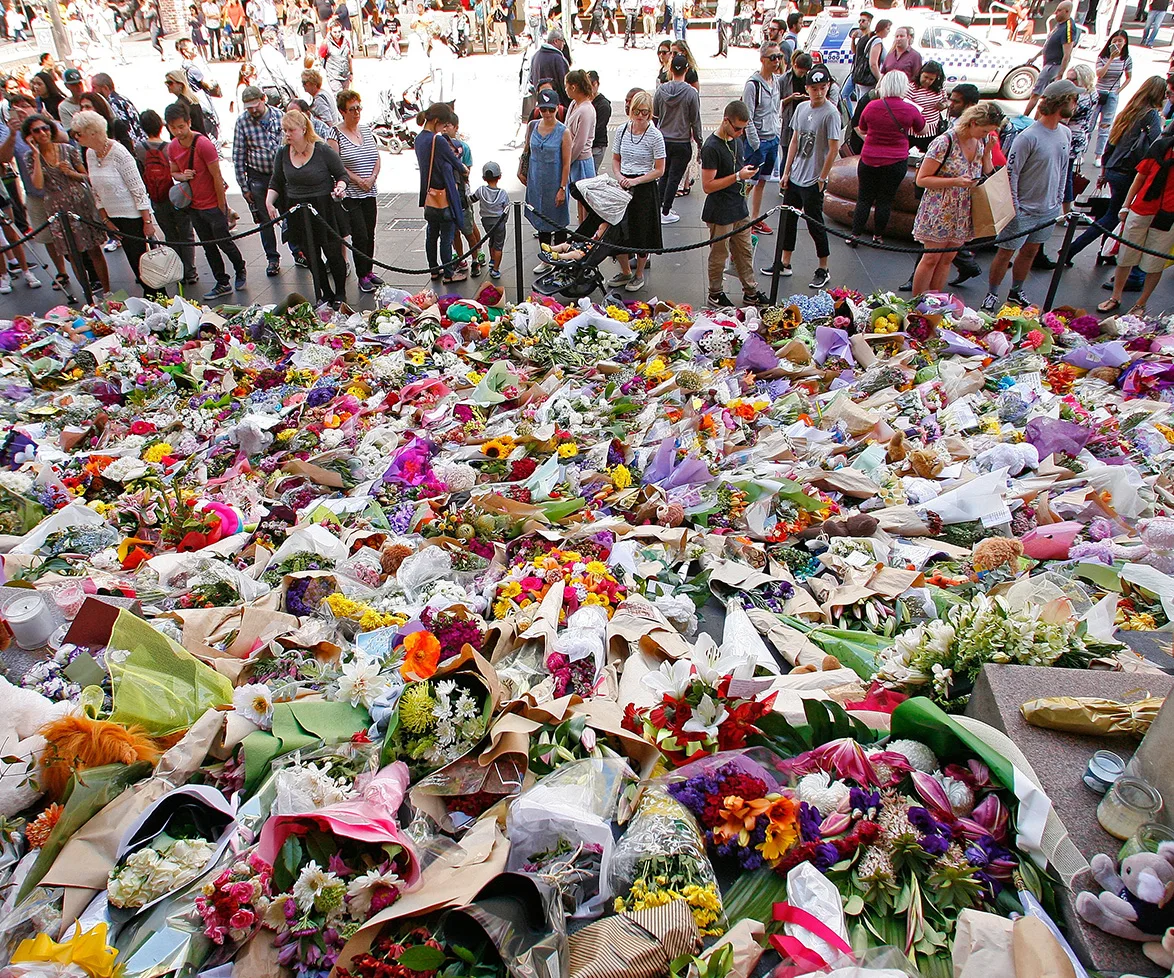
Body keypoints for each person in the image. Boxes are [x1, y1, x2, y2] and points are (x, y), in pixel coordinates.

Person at [980, 80, 1076, 311]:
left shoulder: (1065, 133)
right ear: (1060, 102)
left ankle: (1015, 291)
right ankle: (992, 293)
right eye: (1073, 100)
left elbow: (1064, 169)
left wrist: (1059, 200)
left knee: (1031, 250)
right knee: (1006, 252)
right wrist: (1015, 205)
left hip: (1048, 209)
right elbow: (1011, 173)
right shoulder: (1028, 137)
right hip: (1023, 209)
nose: (1076, 105)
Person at [1067, 76, 1165, 264]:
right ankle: (1072, 249)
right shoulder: (1151, 115)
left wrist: (1104, 170)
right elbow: (1155, 145)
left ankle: (1104, 253)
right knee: (1113, 216)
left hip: (1113, 168)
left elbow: (1111, 143)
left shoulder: (1129, 111)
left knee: (1114, 213)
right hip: (1129, 171)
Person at [911, 102, 1002, 295]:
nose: (985, 135)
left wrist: (987, 154)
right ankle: (916, 305)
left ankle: (935, 301)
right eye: (984, 130)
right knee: (931, 258)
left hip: (964, 208)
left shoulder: (981, 141)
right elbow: (922, 179)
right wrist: (955, 181)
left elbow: (987, 171)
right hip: (940, 207)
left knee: (947, 259)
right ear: (973, 123)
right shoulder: (945, 142)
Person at [765, 63, 840, 289]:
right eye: (814, 88)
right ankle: (785, 262)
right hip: (796, 175)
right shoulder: (802, 109)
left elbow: (833, 147)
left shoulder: (831, 113)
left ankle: (823, 267)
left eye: (822, 87)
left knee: (815, 223)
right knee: (788, 220)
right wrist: (786, 171)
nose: (818, 92)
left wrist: (822, 177)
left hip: (813, 178)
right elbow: (795, 140)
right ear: (807, 88)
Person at [71, 110, 158, 296]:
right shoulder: (90, 154)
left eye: (79, 133)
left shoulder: (120, 153)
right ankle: (150, 297)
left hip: (133, 217)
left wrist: (147, 222)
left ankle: (157, 297)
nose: (75, 137)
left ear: (93, 132)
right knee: (134, 263)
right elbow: (95, 190)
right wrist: (105, 219)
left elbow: (138, 189)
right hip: (113, 217)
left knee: (143, 263)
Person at [165, 101, 245, 301]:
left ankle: (240, 267)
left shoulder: (203, 144)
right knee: (208, 246)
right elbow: (174, 172)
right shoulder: (173, 147)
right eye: (173, 128)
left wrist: (222, 206)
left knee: (224, 243)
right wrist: (183, 175)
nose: (178, 132)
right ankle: (222, 281)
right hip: (193, 205)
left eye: (181, 126)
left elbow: (217, 177)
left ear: (189, 122)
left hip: (211, 205)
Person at [266, 108, 348, 304]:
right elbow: (276, 180)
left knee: (333, 253)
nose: (286, 134)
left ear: (303, 129)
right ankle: (325, 292)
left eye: (290, 130)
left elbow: (341, 175)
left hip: (323, 208)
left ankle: (340, 292)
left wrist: (340, 187)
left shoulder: (322, 150)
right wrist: (269, 201)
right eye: (284, 130)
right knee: (311, 256)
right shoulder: (283, 152)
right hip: (297, 210)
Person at [24, 113, 110, 294]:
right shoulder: (30, 157)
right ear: (30, 135)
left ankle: (107, 290)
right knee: (72, 253)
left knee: (94, 249)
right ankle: (88, 294)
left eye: (45, 128)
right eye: (36, 131)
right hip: (55, 207)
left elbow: (86, 176)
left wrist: (71, 173)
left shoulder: (67, 149)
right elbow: (38, 184)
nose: (42, 133)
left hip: (78, 202)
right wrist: (36, 154)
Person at [1097, 131, 1174, 314]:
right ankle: (1115, 297)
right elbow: (1140, 177)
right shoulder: (1161, 148)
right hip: (1141, 208)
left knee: (1154, 262)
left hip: (1168, 215)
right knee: (1125, 256)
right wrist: (1126, 206)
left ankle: (1141, 303)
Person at [701, 99, 765, 308]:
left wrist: (744, 175)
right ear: (726, 121)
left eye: (743, 129)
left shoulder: (736, 140)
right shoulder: (711, 147)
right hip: (720, 210)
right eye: (737, 128)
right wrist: (738, 176)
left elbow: (736, 169)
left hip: (739, 206)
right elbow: (708, 186)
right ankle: (715, 292)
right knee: (719, 254)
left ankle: (751, 291)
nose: (740, 133)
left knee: (744, 251)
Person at [852, 70, 924, 245]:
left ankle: (855, 235)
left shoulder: (871, 106)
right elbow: (921, 129)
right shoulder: (910, 109)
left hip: (869, 158)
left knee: (864, 198)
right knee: (885, 199)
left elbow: (862, 128)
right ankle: (878, 236)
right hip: (896, 160)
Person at [608, 89, 663, 292]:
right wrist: (620, 177)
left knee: (642, 232)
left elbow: (659, 169)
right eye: (637, 111)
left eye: (645, 112)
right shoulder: (622, 130)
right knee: (618, 231)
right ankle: (625, 271)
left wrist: (637, 181)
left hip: (644, 189)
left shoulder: (655, 136)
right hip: (624, 185)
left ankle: (639, 273)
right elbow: (615, 159)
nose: (640, 116)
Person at [328, 89, 382, 292]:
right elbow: (337, 164)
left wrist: (373, 178)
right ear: (342, 111)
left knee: (370, 232)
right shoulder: (335, 134)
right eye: (352, 109)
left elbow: (376, 157)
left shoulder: (367, 130)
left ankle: (369, 270)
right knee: (360, 234)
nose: (357, 112)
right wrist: (358, 180)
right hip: (350, 193)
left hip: (370, 190)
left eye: (359, 108)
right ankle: (362, 275)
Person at [136, 108, 197, 284]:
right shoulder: (169, 147)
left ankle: (177, 270)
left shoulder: (140, 148)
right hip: (176, 196)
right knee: (186, 234)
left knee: (170, 235)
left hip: (157, 197)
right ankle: (190, 271)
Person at [231, 86, 284, 277]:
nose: (252, 110)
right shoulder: (242, 122)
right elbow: (238, 156)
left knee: (290, 215)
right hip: (258, 176)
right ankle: (272, 258)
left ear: (264, 99)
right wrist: (244, 186)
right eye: (248, 107)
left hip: (281, 175)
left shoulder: (279, 116)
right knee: (264, 221)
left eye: (255, 106)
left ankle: (298, 251)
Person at [415, 102, 466, 282]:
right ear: (437, 121)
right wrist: (463, 169)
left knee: (431, 234)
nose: (444, 129)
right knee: (446, 236)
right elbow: (456, 163)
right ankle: (449, 274)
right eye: (443, 125)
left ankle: (434, 271)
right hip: (444, 195)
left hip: (429, 196)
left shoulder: (419, 139)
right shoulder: (438, 140)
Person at [522, 88, 571, 270]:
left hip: (555, 183)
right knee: (541, 223)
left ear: (557, 108)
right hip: (536, 182)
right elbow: (527, 149)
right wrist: (523, 170)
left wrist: (562, 188)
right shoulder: (533, 126)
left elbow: (566, 163)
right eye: (544, 109)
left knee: (558, 224)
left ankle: (559, 260)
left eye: (551, 109)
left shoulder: (563, 132)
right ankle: (546, 259)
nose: (547, 113)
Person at [653, 53, 700, 224]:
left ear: (670, 69)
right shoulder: (691, 93)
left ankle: (657, 208)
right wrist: (700, 143)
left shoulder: (660, 91)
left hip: (663, 140)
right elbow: (695, 120)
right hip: (682, 141)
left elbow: (655, 116)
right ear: (687, 70)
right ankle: (666, 211)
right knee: (674, 177)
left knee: (663, 175)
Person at [743, 40, 783, 235]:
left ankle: (755, 219)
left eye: (779, 57)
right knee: (748, 184)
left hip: (772, 139)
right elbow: (747, 117)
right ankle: (741, 222)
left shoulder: (776, 82)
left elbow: (777, 110)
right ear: (763, 60)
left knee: (762, 182)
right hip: (758, 142)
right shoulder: (753, 85)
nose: (777, 62)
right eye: (773, 58)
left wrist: (777, 131)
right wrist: (755, 143)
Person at [1024, 1, 1078, 116]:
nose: (1055, 13)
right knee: (1042, 96)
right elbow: (1048, 44)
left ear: (1067, 11)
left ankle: (1025, 118)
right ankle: (1032, 119)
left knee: (1038, 95)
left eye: (1059, 11)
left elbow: (1067, 54)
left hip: (1054, 66)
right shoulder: (1059, 25)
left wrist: (1060, 74)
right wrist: (1035, 57)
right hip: (1049, 64)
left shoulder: (1068, 28)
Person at [1093, 31, 1132, 162]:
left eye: (1120, 41)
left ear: (1125, 42)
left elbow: (1128, 77)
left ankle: (1099, 155)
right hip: (1098, 92)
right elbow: (1100, 74)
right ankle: (1081, 153)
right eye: (1114, 40)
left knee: (1105, 125)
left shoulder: (1126, 59)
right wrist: (1110, 59)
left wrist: (1118, 91)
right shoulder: (1103, 57)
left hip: (1112, 94)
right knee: (1090, 123)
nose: (1117, 43)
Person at [565, 69, 597, 222]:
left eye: (567, 86)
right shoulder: (574, 104)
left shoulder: (586, 110)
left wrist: (567, 161)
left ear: (574, 87)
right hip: (573, 158)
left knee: (585, 200)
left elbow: (580, 142)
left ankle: (586, 233)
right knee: (579, 198)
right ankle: (581, 227)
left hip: (581, 160)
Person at [471, 160, 509, 279]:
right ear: (500, 177)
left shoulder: (481, 190)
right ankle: (495, 269)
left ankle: (492, 260)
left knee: (490, 239)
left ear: (484, 178)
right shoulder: (502, 193)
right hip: (499, 222)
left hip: (486, 221)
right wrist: (504, 220)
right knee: (499, 245)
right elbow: (506, 208)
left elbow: (471, 199)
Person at [91, 74, 146, 146]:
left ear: (105, 88)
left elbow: (125, 130)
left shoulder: (113, 104)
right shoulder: (122, 98)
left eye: (94, 87)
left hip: (134, 146)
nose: (92, 91)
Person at [256, 26, 299, 106]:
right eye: (276, 39)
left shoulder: (256, 55)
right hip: (277, 89)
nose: (278, 42)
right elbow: (287, 76)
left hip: (262, 90)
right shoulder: (277, 55)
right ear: (269, 40)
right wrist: (296, 92)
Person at [907, 62, 947, 147]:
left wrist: (943, 106)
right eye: (925, 77)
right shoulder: (911, 87)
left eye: (931, 79)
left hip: (932, 129)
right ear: (921, 73)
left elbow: (946, 101)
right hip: (913, 130)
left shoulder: (940, 87)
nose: (927, 81)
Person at [847, 12, 882, 109]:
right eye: (859, 21)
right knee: (846, 95)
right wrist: (853, 39)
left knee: (860, 99)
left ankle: (856, 117)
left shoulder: (871, 37)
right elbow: (854, 51)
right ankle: (853, 116)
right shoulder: (861, 36)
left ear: (869, 22)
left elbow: (873, 61)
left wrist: (879, 77)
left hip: (864, 73)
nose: (860, 23)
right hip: (856, 71)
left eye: (863, 21)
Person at [530, 28, 571, 105]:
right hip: (557, 106)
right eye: (562, 41)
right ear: (556, 41)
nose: (563, 44)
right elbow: (565, 85)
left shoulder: (535, 56)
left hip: (541, 103)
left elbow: (531, 80)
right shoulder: (559, 59)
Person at [165, 70, 210, 138]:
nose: (168, 86)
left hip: (192, 142)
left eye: (170, 83)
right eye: (166, 83)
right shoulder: (192, 100)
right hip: (202, 138)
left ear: (180, 84)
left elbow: (179, 128)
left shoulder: (180, 104)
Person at [320, 18, 353, 92]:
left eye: (339, 31)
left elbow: (349, 58)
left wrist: (351, 73)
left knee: (346, 97)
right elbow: (321, 58)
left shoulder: (346, 42)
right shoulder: (326, 43)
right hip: (333, 76)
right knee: (339, 96)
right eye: (335, 32)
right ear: (330, 32)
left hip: (345, 75)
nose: (337, 34)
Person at [588, 70, 611, 173]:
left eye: (588, 86)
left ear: (596, 84)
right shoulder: (585, 101)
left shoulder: (603, 105)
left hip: (597, 145)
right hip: (587, 145)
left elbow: (599, 128)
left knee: (591, 174)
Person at [57, 67, 85, 132]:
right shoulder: (64, 106)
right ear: (67, 86)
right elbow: (70, 131)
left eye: (79, 83)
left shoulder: (94, 98)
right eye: (74, 84)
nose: (78, 87)